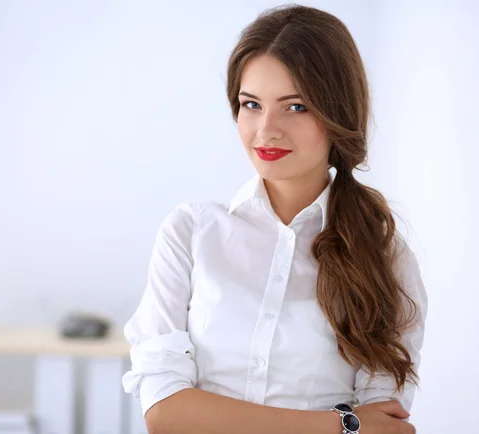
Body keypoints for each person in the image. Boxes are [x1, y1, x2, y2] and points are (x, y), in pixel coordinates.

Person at [121, 4, 428, 434]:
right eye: (251, 104)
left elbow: (381, 426)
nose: (266, 129)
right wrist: (341, 423)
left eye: (296, 107)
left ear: (337, 113)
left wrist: (352, 425)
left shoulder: (384, 256)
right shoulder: (191, 232)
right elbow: (164, 412)